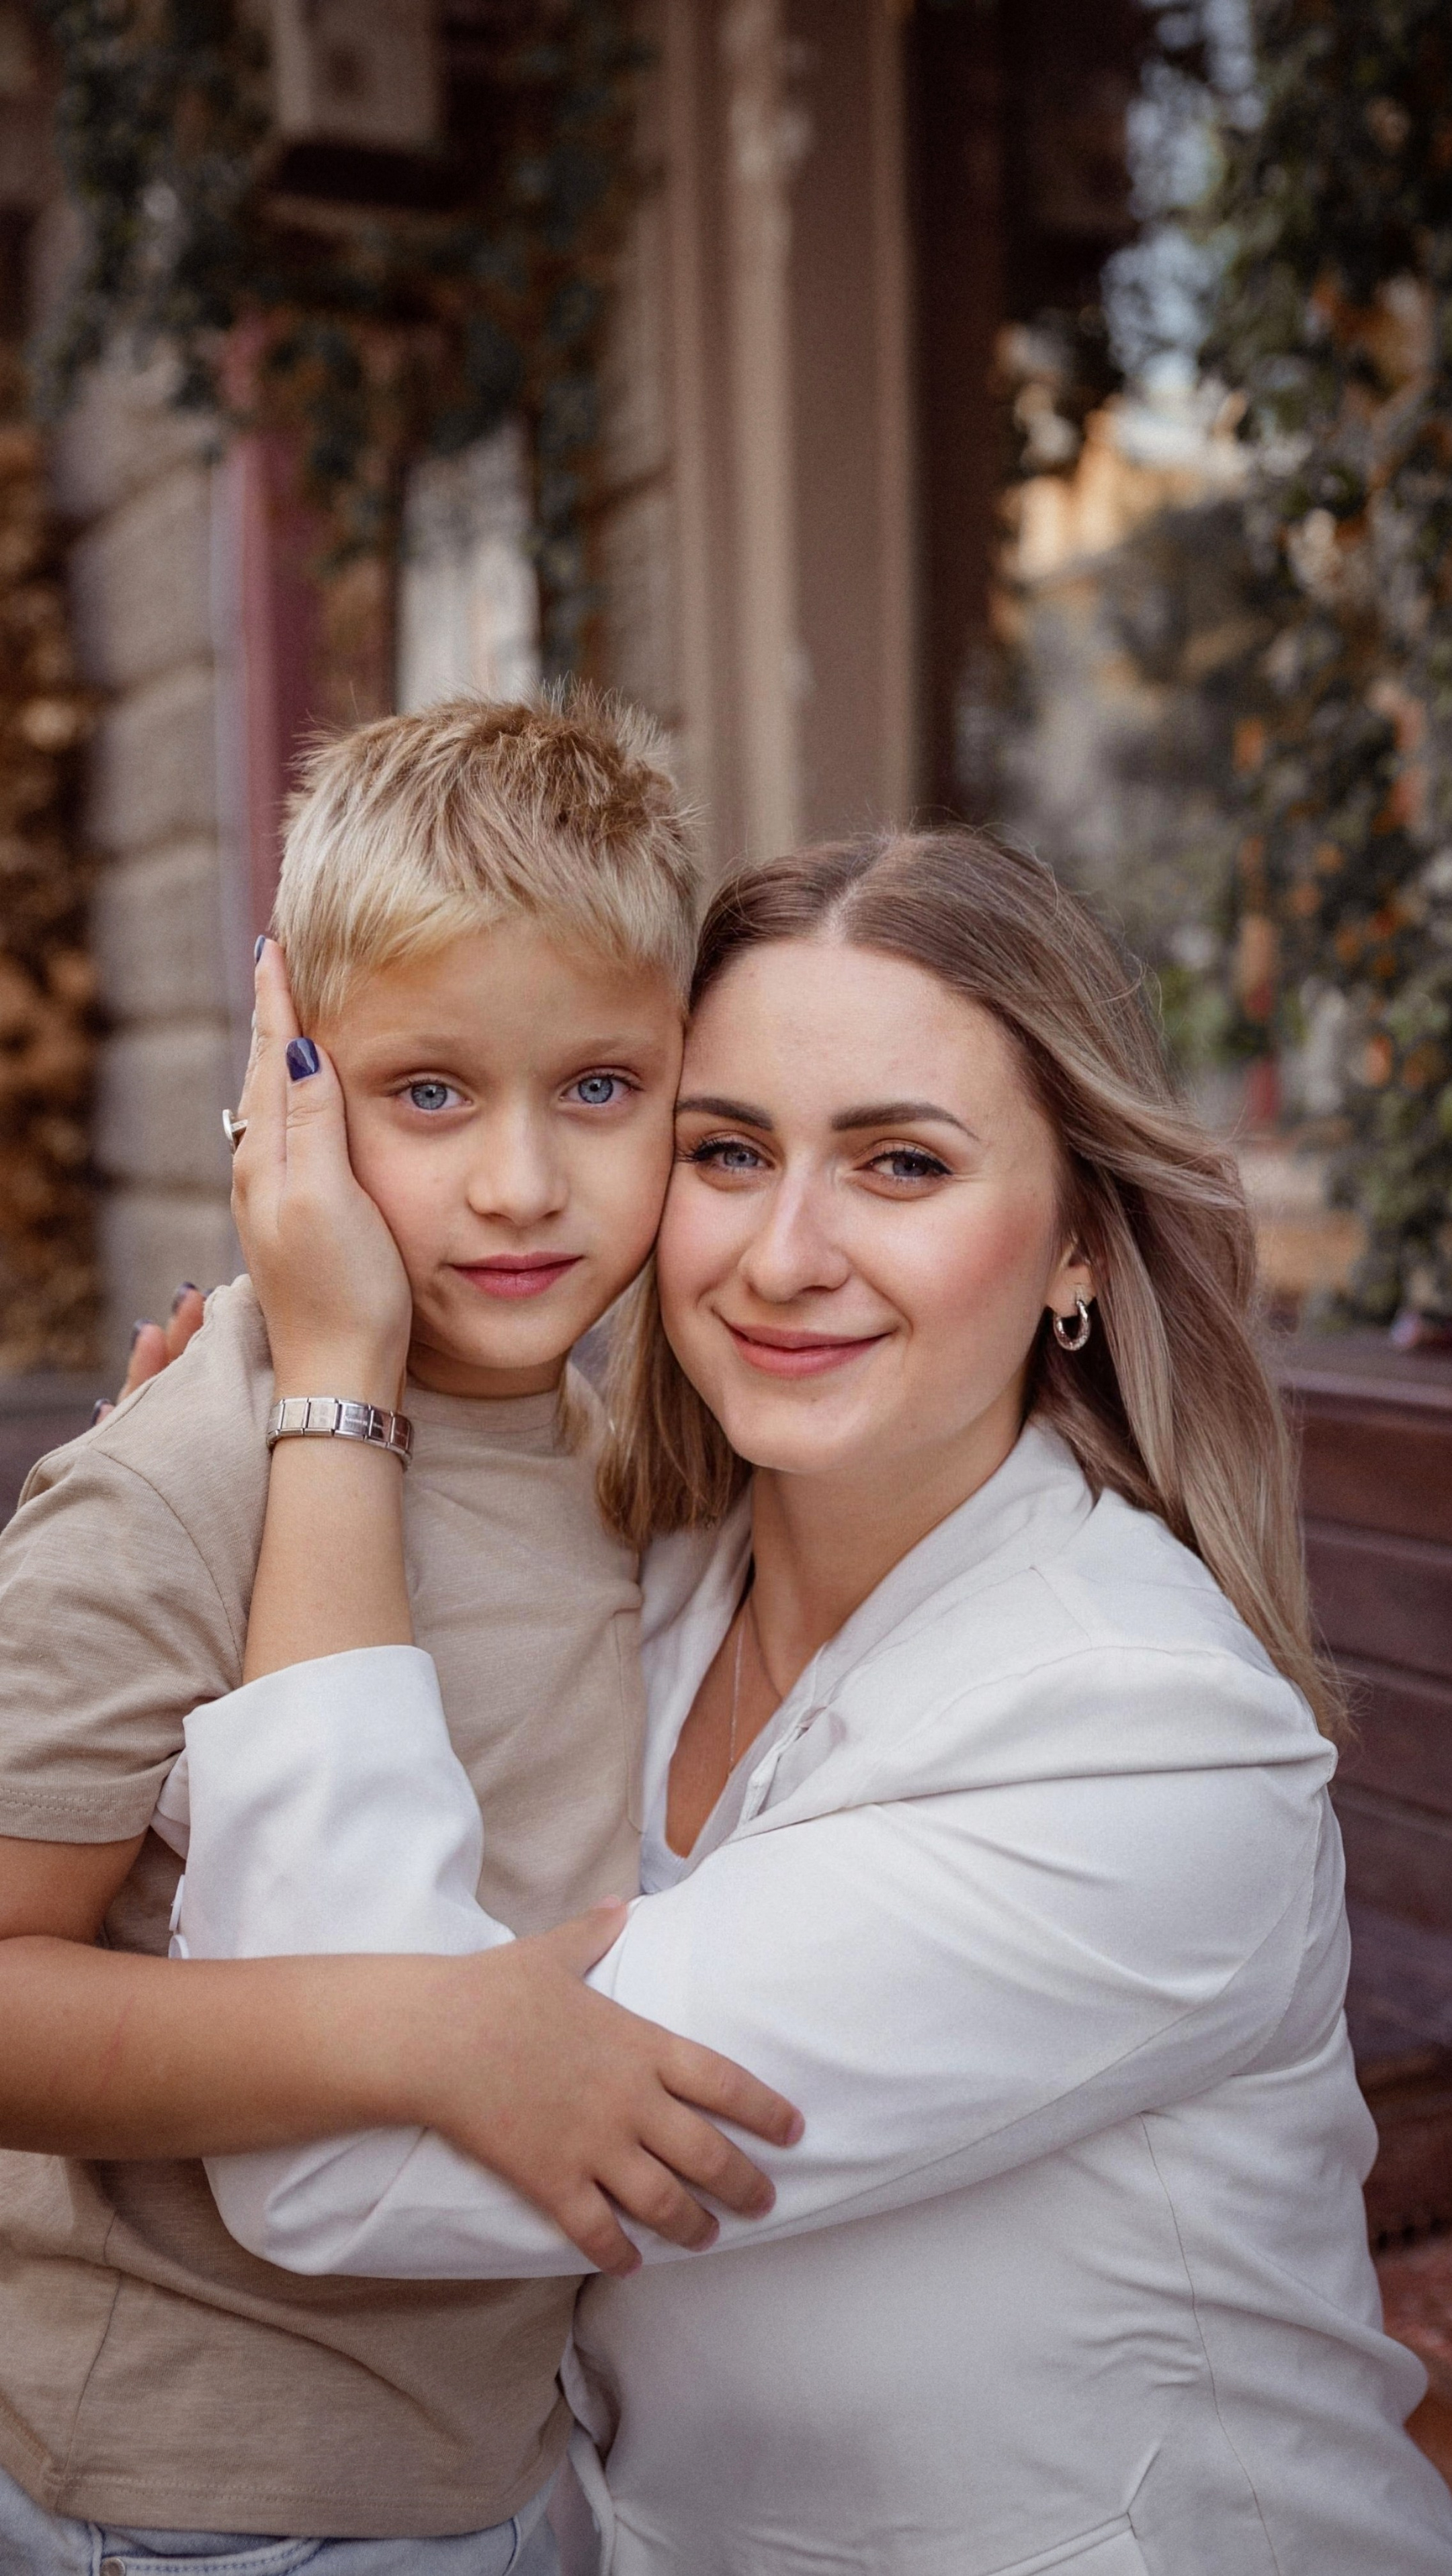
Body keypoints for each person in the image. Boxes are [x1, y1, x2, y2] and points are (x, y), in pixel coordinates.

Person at [168, 830, 1452, 2575]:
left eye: (902, 1163)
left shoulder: (1142, 1731)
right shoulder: (635, 1589)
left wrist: (332, 1407)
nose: (787, 1252)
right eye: (727, 1149)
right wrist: (224, 1503)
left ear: (1080, 1240)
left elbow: (346, 2173)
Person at [0, 693, 796, 2573]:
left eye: (599, 1088)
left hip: (503, 2448)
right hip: (205, 2489)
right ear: (295, 1078)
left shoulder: (617, 1462)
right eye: (429, 1091)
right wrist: (431, 2036)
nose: (520, 1184)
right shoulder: (194, 1469)